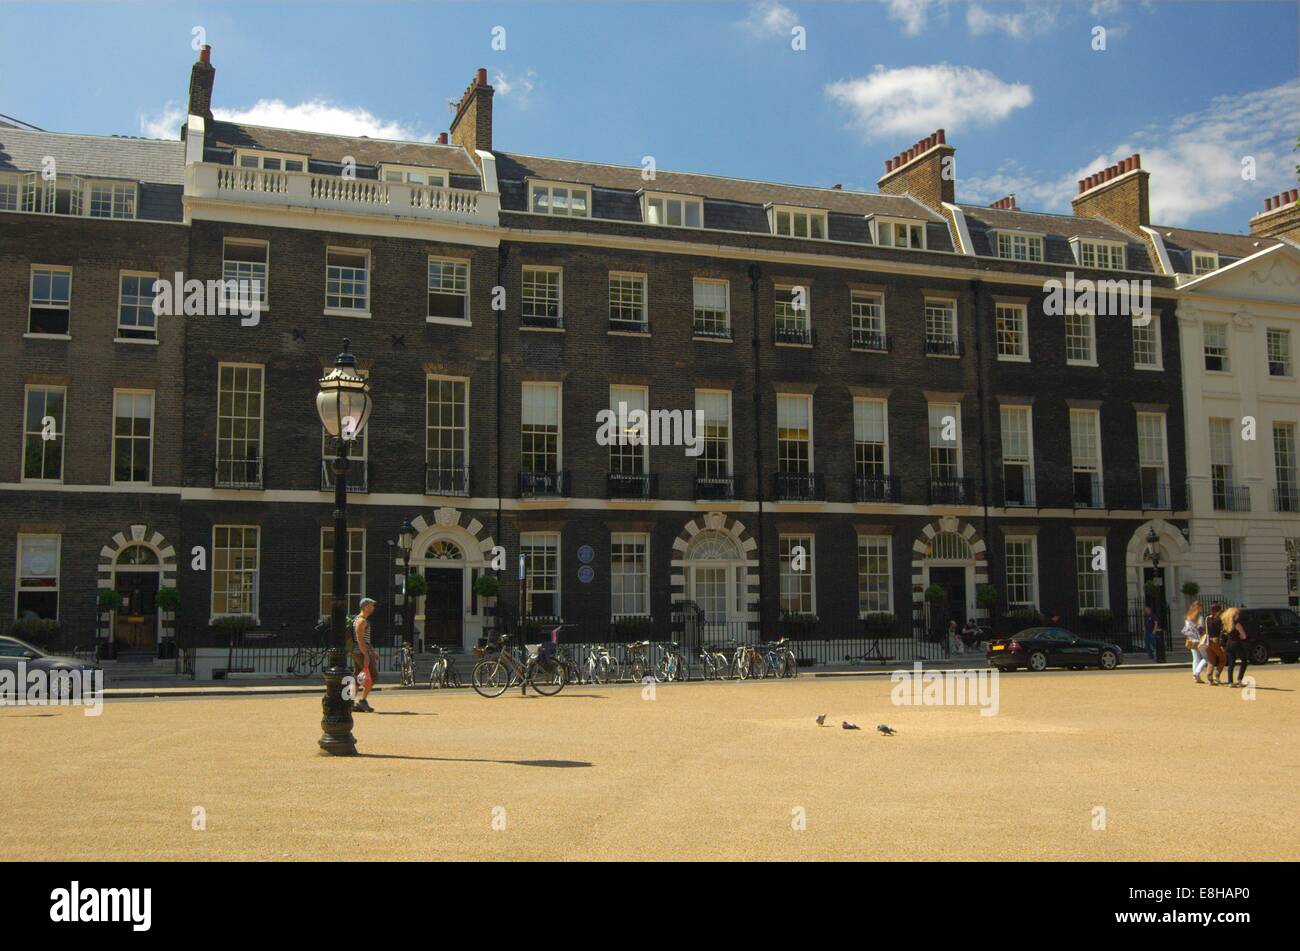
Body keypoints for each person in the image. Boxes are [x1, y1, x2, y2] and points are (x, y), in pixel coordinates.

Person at [351, 597, 379, 712]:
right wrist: (366, 654)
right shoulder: (361, 621)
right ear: (366, 606)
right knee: (373, 676)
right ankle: (362, 701)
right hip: (361, 652)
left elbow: (365, 640)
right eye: (372, 605)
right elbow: (360, 639)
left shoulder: (360, 619)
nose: (373, 608)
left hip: (359, 651)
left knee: (358, 677)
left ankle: (350, 702)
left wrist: (372, 651)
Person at [1221, 605, 1250, 688]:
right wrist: (1241, 636)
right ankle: (1240, 680)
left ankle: (1230, 682)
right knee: (1244, 660)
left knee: (1231, 663)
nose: (1239, 615)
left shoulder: (1226, 623)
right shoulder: (1237, 624)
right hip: (1237, 643)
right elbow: (1244, 636)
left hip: (1229, 644)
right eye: (1237, 613)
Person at [1182, 601, 1207, 684]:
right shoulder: (1199, 617)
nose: (1202, 609)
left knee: (1195, 659)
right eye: (1201, 607)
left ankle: (1195, 676)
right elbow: (1201, 629)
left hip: (1191, 639)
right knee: (1207, 658)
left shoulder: (1188, 617)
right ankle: (1197, 673)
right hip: (1199, 640)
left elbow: (1186, 630)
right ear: (1198, 608)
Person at [1203, 603, 1226, 685]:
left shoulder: (1207, 618)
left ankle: (1210, 679)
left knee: (1211, 661)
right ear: (1218, 611)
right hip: (1215, 640)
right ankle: (1217, 676)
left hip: (1208, 641)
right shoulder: (1219, 619)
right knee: (1223, 659)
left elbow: (1205, 629)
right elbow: (1221, 631)